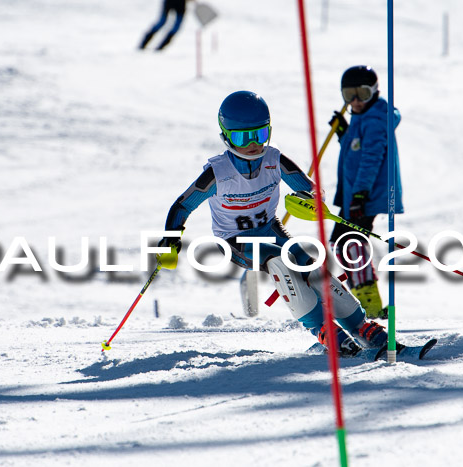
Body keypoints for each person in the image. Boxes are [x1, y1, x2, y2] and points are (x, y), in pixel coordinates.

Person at [157, 90, 405, 357]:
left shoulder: (274, 161)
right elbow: (183, 205)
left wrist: (310, 200)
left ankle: (360, 326)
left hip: (270, 230)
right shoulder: (218, 173)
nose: (253, 143)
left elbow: (311, 189)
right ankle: (323, 331)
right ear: (226, 136)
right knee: (278, 261)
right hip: (235, 242)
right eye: (243, 137)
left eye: (260, 134)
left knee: (310, 264)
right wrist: (171, 238)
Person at [328, 65, 404, 319]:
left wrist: (360, 194)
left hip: (365, 195)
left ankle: (368, 302)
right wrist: (344, 133)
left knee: (350, 243)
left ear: (374, 91)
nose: (356, 101)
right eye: (349, 95)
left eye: (362, 93)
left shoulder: (375, 120)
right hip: (355, 195)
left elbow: (371, 158)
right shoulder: (363, 118)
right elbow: (356, 150)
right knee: (344, 242)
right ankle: (362, 297)